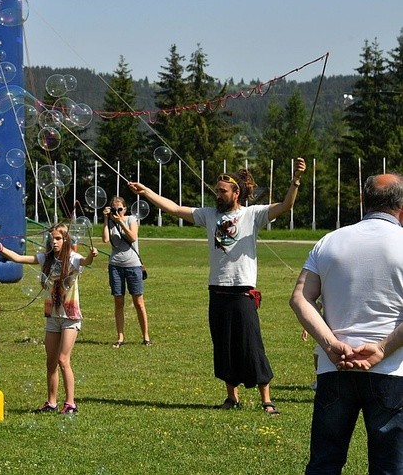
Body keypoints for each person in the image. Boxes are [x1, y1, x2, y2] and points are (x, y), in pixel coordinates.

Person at [129, 157, 306, 414]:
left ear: (237, 192)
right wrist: (146, 191)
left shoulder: (252, 215)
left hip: (242, 291)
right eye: (216, 190)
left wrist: (296, 180)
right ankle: (231, 397)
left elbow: (286, 205)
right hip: (217, 289)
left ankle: (266, 399)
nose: (218, 194)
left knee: (251, 345)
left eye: (222, 191)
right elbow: (175, 209)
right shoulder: (209, 215)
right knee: (223, 346)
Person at [289, 173, 403, 474]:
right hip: (392, 371)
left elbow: (300, 298)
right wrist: (381, 348)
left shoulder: (329, 240)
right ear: (401, 206)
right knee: (390, 467)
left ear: (363, 201)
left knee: (325, 462)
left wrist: (330, 345)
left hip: (334, 366)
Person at [0, 222, 98, 414]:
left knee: (64, 360)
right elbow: (20, 258)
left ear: (65, 240)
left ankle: (71, 403)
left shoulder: (73, 259)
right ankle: (52, 402)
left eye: (58, 238)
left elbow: (86, 262)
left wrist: (92, 255)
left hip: (70, 316)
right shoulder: (46, 259)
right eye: (52, 238)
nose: (54, 242)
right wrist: (2, 249)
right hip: (53, 317)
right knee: (51, 362)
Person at [102, 195, 151, 347]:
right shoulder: (110, 221)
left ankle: (146, 337)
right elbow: (105, 239)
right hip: (115, 265)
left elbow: (133, 237)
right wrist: (106, 219)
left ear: (125, 208)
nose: (118, 211)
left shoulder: (131, 219)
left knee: (138, 302)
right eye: (115, 208)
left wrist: (121, 222)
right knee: (118, 301)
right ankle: (120, 337)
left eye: (120, 208)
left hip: (133, 265)